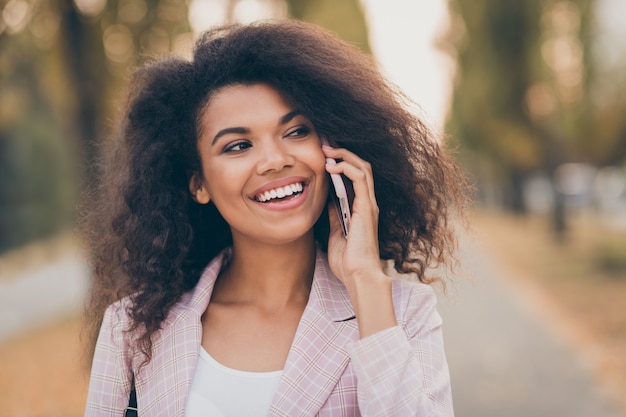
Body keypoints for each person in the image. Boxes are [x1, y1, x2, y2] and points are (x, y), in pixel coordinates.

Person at [83, 19, 468, 417]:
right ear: (198, 184)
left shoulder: (401, 315)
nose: (276, 160)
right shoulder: (131, 330)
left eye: (297, 131)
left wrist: (365, 281)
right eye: (238, 146)